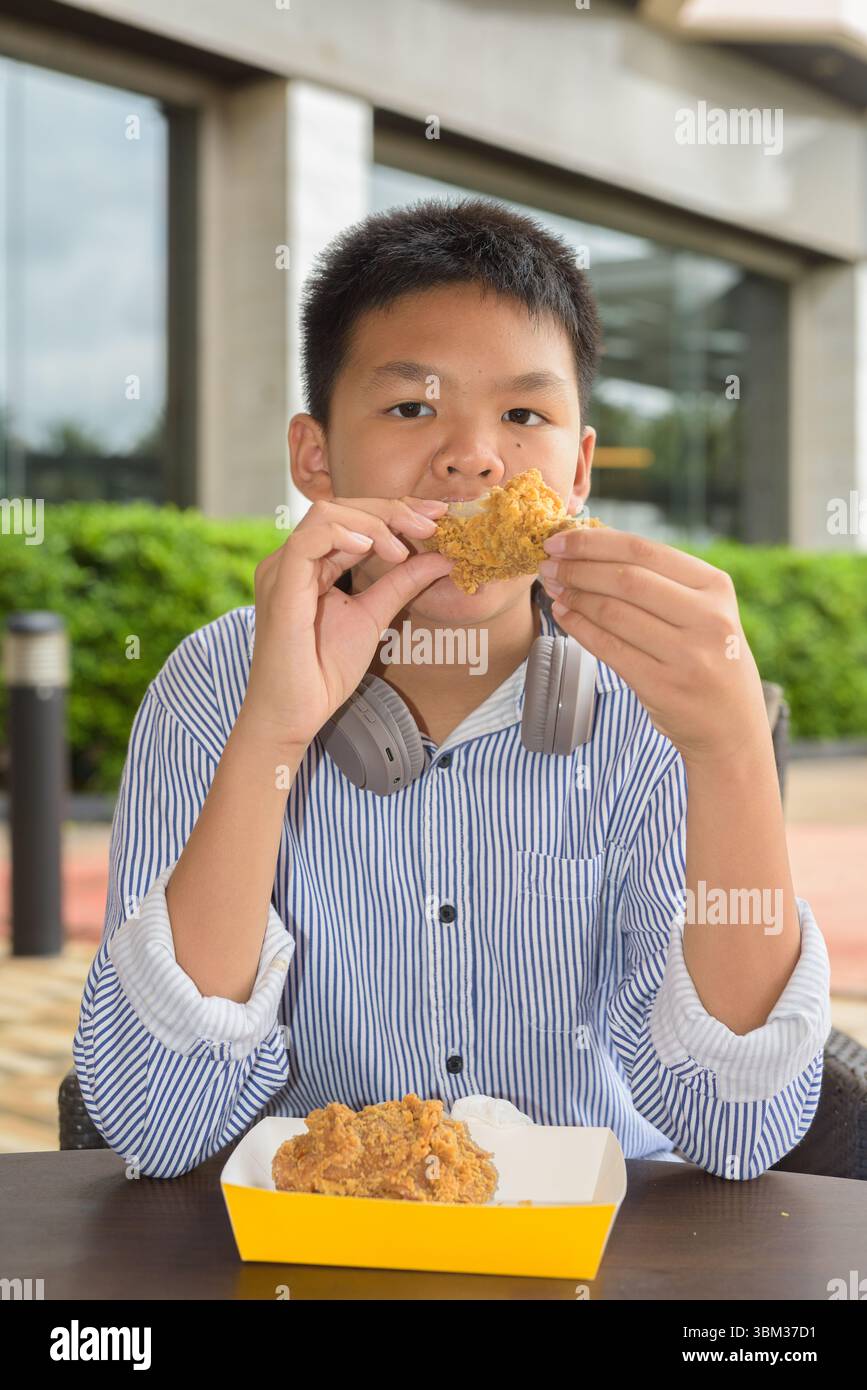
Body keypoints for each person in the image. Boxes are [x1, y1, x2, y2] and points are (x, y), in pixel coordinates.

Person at [73, 198, 831, 1180]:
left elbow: (738, 1133)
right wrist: (272, 734)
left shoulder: (653, 697)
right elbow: (153, 1125)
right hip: (314, 1236)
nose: (474, 456)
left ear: (578, 470)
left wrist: (728, 753)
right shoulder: (214, 688)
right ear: (315, 457)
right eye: (411, 407)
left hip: (594, 1241)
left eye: (523, 415)